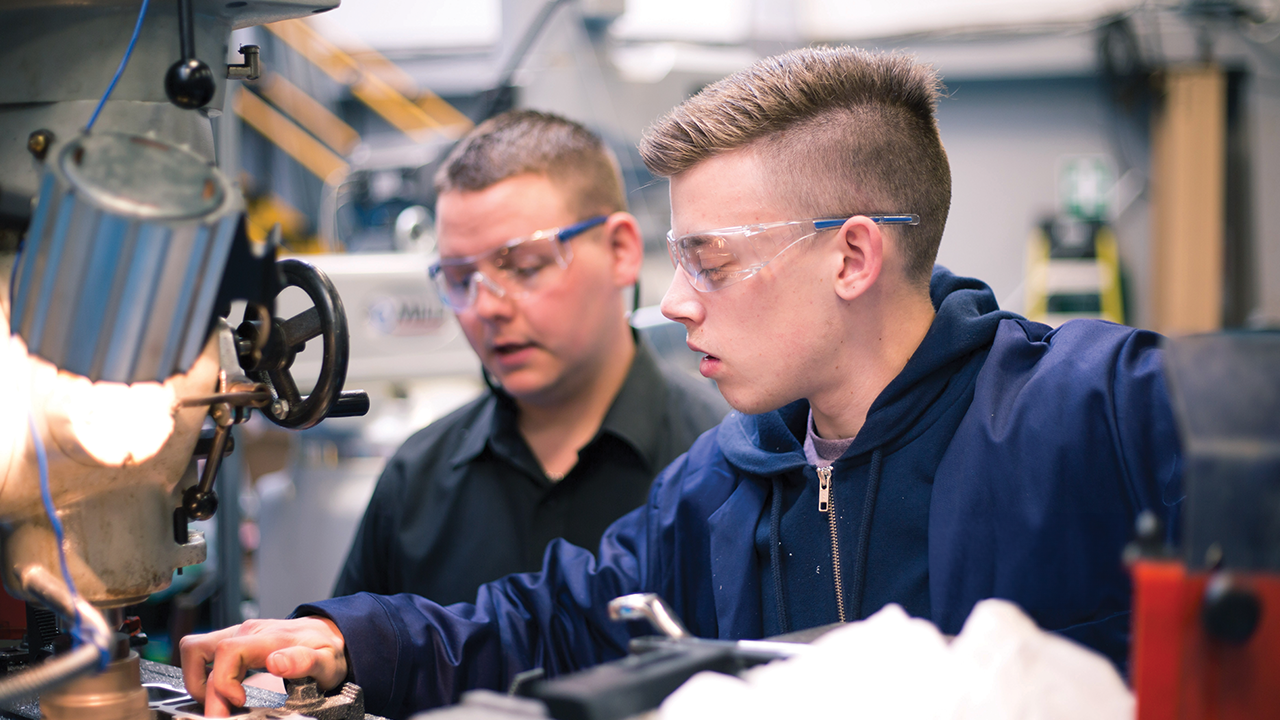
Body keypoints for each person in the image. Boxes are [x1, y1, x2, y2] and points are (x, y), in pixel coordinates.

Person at [181, 48, 1181, 719]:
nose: (676, 301)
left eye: (709, 261)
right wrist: (341, 634)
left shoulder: (1095, 410)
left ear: (851, 257)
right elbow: (560, 621)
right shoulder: (719, 485)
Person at [331, 110, 729, 606]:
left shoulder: (722, 466)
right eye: (459, 279)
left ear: (621, 250)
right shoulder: (415, 484)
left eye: (524, 267)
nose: (487, 307)